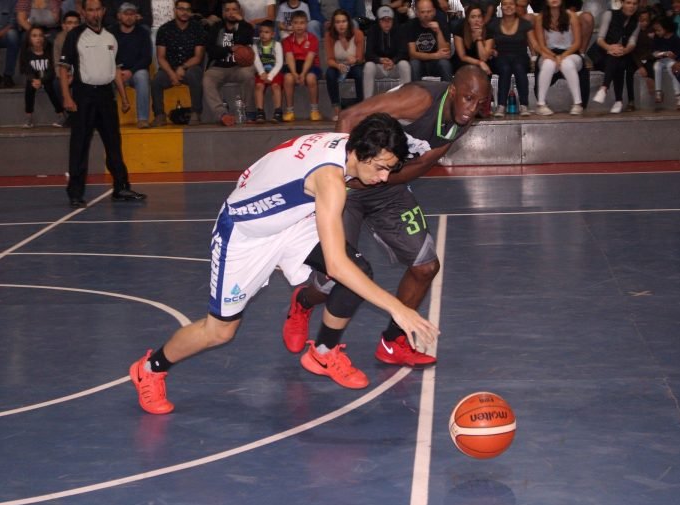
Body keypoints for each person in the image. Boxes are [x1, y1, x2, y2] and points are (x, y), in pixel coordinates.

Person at [129, 113, 440, 413]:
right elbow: (334, 266)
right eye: (381, 168)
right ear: (359, 152)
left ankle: (322, 352)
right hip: (245, 233)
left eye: (390, 169)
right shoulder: (329, 179)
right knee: (219, 331)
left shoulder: (354, 144)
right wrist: (399, 309)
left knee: (358, 271)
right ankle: (150, 368)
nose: (384, 177)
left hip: (291, 220)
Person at [281, 66, 490, 368]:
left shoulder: (463, 118)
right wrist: (338, 173)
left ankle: (393, 342)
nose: (473, 108)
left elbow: (422, 165)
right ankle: (303, 302)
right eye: (469, 98)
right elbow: (351, 117)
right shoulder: (420, 100)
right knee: (333, 275)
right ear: (453, 92)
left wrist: (380, 178)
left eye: (479, 102)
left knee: (425, 266)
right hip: (349, 183)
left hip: (386, 185)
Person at [59, 0, 147, 208]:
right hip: (83, 95)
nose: (95, 13)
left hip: (107, 95)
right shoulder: (75, 36)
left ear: (104, 11)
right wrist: (67, 97)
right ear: (83, 12)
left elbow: (115, 68)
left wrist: (124, 97)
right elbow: (63, 68)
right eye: (90, 10)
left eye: (98, 9)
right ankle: (76, 192)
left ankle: (121, 187)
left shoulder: (110, 37)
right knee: (80, 144)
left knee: (114, 143)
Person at [150, 0, 205, 127]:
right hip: (169, 68)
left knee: (194, 74)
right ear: (174, 10)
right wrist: (171, 73)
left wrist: (183, 67)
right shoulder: (164, 30)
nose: (184, 12)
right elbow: (161, 57)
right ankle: (159, 115)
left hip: (190, 67)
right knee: (156, 80)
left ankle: (196, 112)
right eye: (181, 9)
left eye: (188, 9)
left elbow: (198, 57)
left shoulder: (197, 28)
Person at [203, 0, 256, 126]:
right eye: (227, 10)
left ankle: (248, 111)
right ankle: (222, 114)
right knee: (207, 78)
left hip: (239, 67)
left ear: (240, 12)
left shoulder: (244, 27)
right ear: (223, 13)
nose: (231, 13)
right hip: (219, 67)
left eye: (234, 9)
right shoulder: (216, 28)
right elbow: (211, 50)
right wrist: (229, 49)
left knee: (249, 74)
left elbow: (246, 38)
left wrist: (241, 21)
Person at [533, 0, 584, 115]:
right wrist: (554, 56)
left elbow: (577, 43)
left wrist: (562, 56)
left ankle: (577, 103)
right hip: (548, 53)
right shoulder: (540, 18)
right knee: (548, 64)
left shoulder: (571, 16)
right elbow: (541, 45)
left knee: (567, 64)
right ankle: (541, 104)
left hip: (571, 53)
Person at [590, 0, 641, 114]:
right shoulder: (610, 14)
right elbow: (600, 39)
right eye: (628, 3)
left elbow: (632, 41)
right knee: (617, 58)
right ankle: (618, 100)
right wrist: (609, 48)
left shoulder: (636, 22)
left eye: (634, 4)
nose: (631, 6)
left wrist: (625, 50)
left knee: (619, 59)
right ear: (622, 3)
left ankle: (604, 89)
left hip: (621, 55)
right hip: (601, 55)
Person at [110, 2, 152, 128]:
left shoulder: (143, 32)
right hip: (114, 72)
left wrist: (131, 71)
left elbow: (146, 58)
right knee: (102, 77)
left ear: (136, 16)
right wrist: (117, 71)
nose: (129, 17)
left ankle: (143, 119)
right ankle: (108, 119)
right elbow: (107, 57)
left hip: (134, 72)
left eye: (132, 14)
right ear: (119, 16)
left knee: (143, 75)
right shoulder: (110, 32)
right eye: (126, 14)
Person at [489, 0, 534, 116]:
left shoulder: (525, 24)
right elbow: (488, 46)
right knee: (505, 68)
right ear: (501, 6)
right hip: (501, 57)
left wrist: (536, 58)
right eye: (505, 4)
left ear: (515, 6)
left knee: (519, 67)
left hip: (521, 57)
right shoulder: (494, 23)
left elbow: (534, 45)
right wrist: (491, 50)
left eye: (511, 4)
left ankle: (524, 105)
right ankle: (501, 106)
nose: (508, 6)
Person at [19, 25, 66, 127]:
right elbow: (25, 69)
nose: (38, 38)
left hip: (47, 77)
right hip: (34, 78)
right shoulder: (26, 52)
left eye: (40, 35)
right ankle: (29, 116)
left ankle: (61, 114)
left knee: (51, 88)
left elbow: (52, 70)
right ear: (29, 38)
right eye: (34, 36)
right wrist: (34, 80)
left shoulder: (49, 49)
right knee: (29, 88)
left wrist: (42, 81)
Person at [324, 8, 365, 120]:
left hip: (354, 65)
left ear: (348, 22)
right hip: (339, 66)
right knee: (330, 73)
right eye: (337, 22)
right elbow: (330, 59)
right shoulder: (329, 36)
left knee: (359, 73)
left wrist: (355, 60)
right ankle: (338, 111)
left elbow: (360, 58)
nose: (341, 25)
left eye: (344, 21)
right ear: (333, 24)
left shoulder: (358, 34)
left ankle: (361, 108)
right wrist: (338, 66)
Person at [281, 9, 322, 122]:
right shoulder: (287, 40)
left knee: (310, 78)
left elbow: (310, 58)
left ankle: (314, 110)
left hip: (311, 64)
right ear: (291, 25)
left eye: (302, 23)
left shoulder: (313, 39)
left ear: (307, 24)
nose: (299, 26)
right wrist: (294, 74)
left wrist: (303, 74)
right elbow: (289, 58)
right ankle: (290, 111)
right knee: (288, 78)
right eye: (296, 23)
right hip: (294, 64)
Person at [363, 5, 411, 99]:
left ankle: (406, 100)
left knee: (404, 64)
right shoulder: (373, 31)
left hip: (394, 65)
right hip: (379, 66)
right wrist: (380, 60)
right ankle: (367, 101)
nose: (387, 23)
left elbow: (404, 52)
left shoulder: (399, 30)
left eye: (389, 19)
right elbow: (368, 54)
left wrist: (393, 61)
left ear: (393, 20)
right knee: (368, 66)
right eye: (383, 20)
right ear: (378, 21)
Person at [406, 0, 453, 81]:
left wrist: (438, 31)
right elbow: (412, 54)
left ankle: (448, 92)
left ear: (434, 11)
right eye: (422, 12)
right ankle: (416, 92)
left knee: (445, 63)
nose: (426, 15)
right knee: (414, 63)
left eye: (429, 11)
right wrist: (435, 55)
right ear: (416, 13)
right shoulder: (411, 25)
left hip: (436, 63)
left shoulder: (441, 23)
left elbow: (446, 52)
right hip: (420, 63)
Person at [650, 15, 680, 109]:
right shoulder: (657, 38)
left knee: (672, 70)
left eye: (659, 30)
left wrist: (674, 55)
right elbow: (653, 52)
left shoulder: (675, 38)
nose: (657, 32)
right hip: (661, 60)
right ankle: (658, 92)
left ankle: (678, 95)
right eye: (656, 30)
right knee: (656, 67)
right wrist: (659, 54)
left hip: (671, 61)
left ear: (666, 28)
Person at [252, 19, 283, 122]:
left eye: (266, 32)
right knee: (258, 86)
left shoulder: (277, 45)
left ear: (273, 34)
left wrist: (270, 76)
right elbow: (256, 61)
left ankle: (278, 111)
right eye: (261, 32)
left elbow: (279, 63)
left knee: (275, 86)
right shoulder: (256, 46)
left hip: (275, 72)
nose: (263, 35)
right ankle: (260, 111)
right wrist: (262, 73)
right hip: (262, 72)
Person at [453, 2, 495, 75]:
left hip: (482, 62)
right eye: (473, 17)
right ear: (468, 19)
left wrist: (479, 38)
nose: (477, 20)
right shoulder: (460, 28)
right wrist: (479, 63)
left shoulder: (489, 30)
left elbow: (484, 58)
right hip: (463, 61)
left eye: (479, 16)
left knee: (486, 68)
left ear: (483, 18)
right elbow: (462, 56)